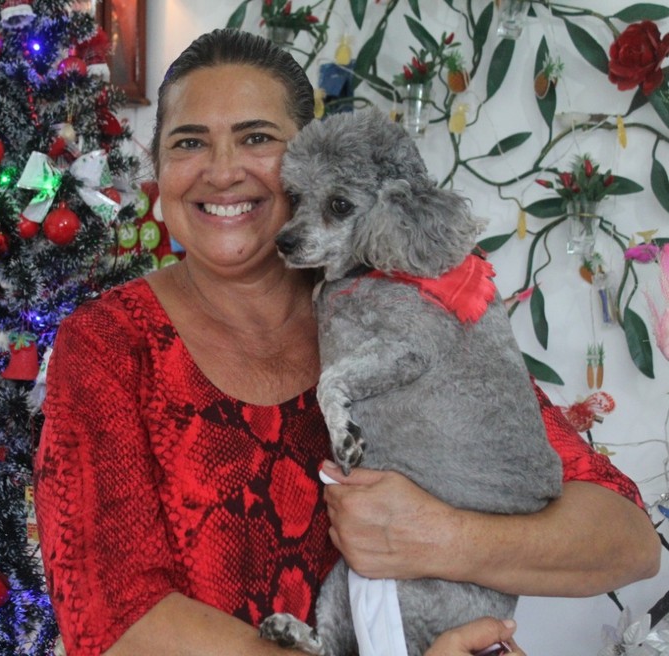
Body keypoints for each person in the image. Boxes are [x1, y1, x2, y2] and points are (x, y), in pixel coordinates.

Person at [33, 28, 660, 656]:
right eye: (189, 142)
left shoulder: (406, 305)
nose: (222, 172)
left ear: (310, 158)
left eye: (257, 138)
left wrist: (440, 536)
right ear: (159, 167)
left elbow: (625, 540)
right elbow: (114, 619)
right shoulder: (110, 345)